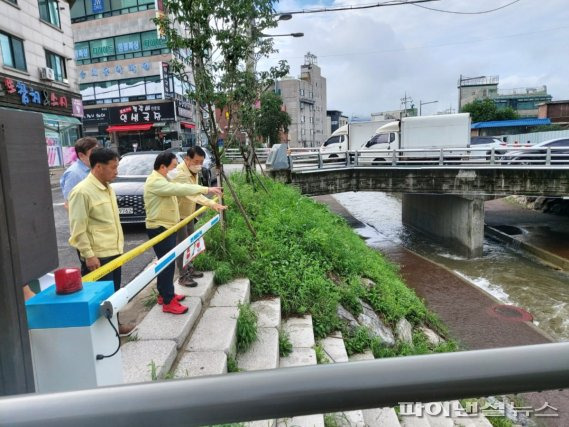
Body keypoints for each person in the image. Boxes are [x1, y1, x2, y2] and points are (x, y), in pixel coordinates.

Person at [144, 151, 223, 314]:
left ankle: (164, 294)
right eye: (173, 166)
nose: (176, 169)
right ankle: (168, 301)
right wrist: (207, 188)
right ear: (162, 167)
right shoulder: (156, 182)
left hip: (166, 225)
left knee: (164, 263)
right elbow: (181, 188)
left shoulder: (163, 179)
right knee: (167, 265)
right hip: (160, 227)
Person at [67, 148, 123, 292]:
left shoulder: (108, 188)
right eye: (113, 167)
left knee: (114, 298)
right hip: (99, 257)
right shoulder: (82, 192)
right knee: (101, 302)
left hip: (115, 252)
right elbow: (78, 229)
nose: (116, 171)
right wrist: (89, 255)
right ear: (98, 166)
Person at [169, 147, 226, 287]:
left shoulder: (193, 171)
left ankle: (189, 268)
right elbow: (192, 193)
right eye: (196, 161)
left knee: (190, 242)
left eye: (201, 161)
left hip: (189, 213)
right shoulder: (179, 174)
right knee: (182, 245)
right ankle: (183, 276)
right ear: (187, 159)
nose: (199, 165)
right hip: (179, 215)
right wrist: (211, 203)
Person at [60, 137, 99, 207]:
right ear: (81, 155)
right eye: (94, 151)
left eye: (98, 150)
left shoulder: (93, 168)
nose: (98, 154)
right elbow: (70, 204)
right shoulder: (73, 174)